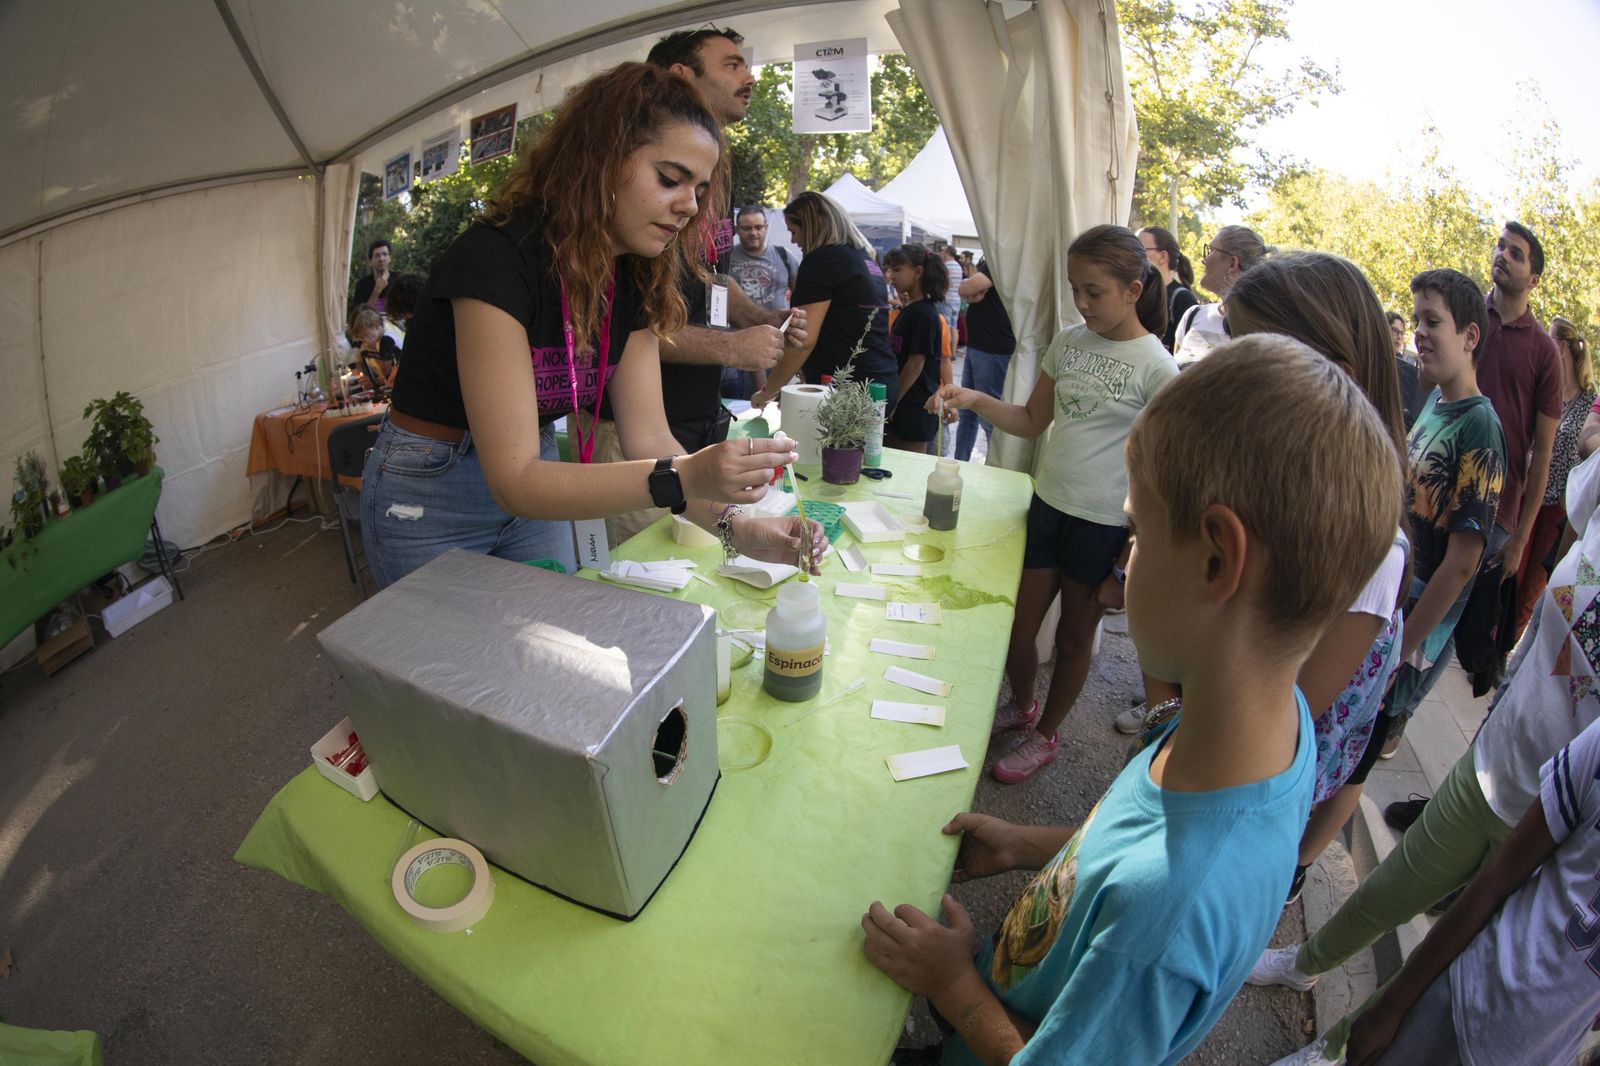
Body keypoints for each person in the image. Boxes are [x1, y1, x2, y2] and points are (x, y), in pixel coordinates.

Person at [862, 336, 1403, 1065]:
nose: (1123, 565)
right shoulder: (1268, 726)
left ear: (1217, 559)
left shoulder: (1170, 912)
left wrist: (950, 981)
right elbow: (1127, 844)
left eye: (1136, 531)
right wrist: (1023, 845)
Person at [363, 62, 822, 589]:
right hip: (432, 488)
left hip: (539, 480)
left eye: (699, 188)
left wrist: (738, 528)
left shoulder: (632, 274)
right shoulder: (496, 259)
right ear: (600, 160)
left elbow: (649, 436)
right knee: (458, 667)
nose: (689, 205)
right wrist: (689, 474)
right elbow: (515, 480)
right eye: (670, 179)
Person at [1258, 446, 1600, 1064]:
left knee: (1449, 966)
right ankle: (1302, 965)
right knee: (1390, 890)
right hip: (1497, 762)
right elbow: (1566, 541)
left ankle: (1333, 1053)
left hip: (1560, 834)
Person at [1163, 252, 1411, 904]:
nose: (1226, 371)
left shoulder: (1370, 552)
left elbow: (1283, 717)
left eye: (1255, 354)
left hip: (1232, 816)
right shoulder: (1272, 492)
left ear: (1335, 379)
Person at [929, 225, 1176, 783]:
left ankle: (1046, 735)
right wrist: (972, 398)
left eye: (1095, 291)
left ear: (1134, 291)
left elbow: (1165, 481)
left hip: (1104, 524)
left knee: (1072, 639)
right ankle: (1023, 706)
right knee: (1019, 627)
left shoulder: (1160, 369)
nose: (1082, 303)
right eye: (1075, 290)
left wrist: (1126, 562)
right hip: (1047, 505)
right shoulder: (1068, 343)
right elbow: (1030, 420)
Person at [594, 26, 809, 546]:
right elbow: (621, 327)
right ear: (677, 78)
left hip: (684, 425)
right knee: (649, 577)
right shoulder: (611, 241)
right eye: (731, 65)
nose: (688, 204)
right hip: (630, 432)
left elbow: (708, 280)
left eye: (698, 188)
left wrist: (760, 318)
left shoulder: (699, 187)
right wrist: (731, 347)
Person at [1327, 716, 1600, 1066]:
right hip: (1462, 1003)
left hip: (1543, 1051)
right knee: (1384, 895)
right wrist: (1390, 1007)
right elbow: (1499, 877)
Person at [751, 191, 899, 406]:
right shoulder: (865, 259)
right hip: (880, 381)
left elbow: (802, 340)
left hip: (845, 390)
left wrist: (767, 392)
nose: (794, 240)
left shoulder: (823, 260)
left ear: (811, 226)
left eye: (794, 231)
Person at [1513, 315, 1594, 634]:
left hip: (1560, 504)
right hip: (1532, 492)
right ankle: (1492, 649)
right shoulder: (1544, 391)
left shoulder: (1590, 401)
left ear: (1560, 347)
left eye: (1549, 340)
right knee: (1514, 572)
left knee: (1534, 583)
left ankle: (1506, 650)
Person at [721, 205, 797, 401]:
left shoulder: (785, 256)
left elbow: (800, 299)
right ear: (737, 231)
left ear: (765, 227)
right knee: (739, 405)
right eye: (747, 228)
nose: (753, 233)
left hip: (776, 346)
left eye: (758, 227)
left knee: (774, 406)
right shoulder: (726, 259)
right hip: (735, 349)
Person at [881, 243, 948, 453]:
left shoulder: (924, 314)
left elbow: (915, 363)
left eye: (898, 270)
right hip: (901, 407)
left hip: (914, 408)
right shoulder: (910, 310)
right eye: (890, 270)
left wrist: (893, 400)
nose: (891, 276)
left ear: (918, 272)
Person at [1171, 225, 1269, 365]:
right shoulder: (1193, 315)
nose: (1204, 260)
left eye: (1210, 250)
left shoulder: (1263, 330)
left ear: (1232, 264)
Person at [952, 256, 1016, 462]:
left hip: (992, 347)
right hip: (979, 346)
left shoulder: (1002, 258)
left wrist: (972, 288)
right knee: (968, 412)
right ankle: (960, 463)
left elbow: (965, 289)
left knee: (988, 416)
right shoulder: (993, 258)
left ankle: (995, 467)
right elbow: (968, 290)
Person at [1138, 226, 1198, 352]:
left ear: (1163, 257)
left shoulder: (1183, 299)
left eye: (1140, 249)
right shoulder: (1133, 292)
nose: (1134, 255)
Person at [347, 304, 399, 392]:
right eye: (361, 338)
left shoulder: (386, 340)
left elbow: (387, 373)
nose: (364, 340)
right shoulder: (375, 337)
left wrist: (373, 348)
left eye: (365, 336)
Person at [1386, 310, 1424, 429]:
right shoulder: (1372, 360)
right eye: (1394, 330)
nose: (1399, 337)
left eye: (1402, 333)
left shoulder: (1408, 371)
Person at [351, 240, 394, 314]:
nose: (381, 258)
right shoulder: (362, 285)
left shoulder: (399, 280)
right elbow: (359, 317)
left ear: (390, 258)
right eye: (377, 256)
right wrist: (377, 291)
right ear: (370, 262)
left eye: (385, 254)